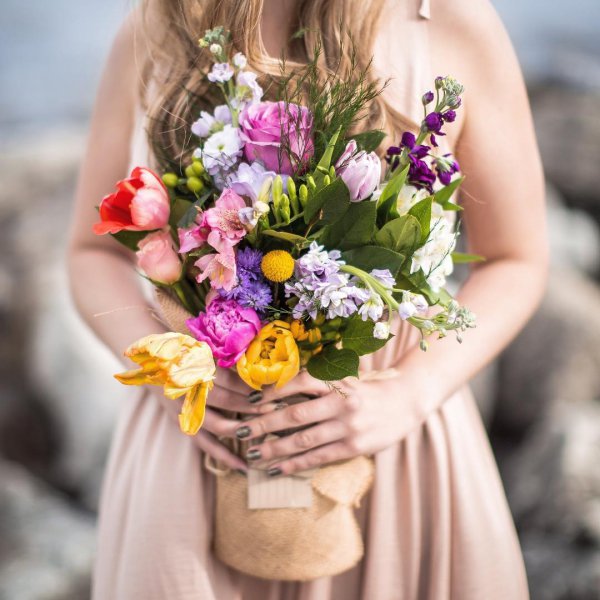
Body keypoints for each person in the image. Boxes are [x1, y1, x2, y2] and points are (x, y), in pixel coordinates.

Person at [67, 0, 547, 598]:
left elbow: (517, 260)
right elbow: (91, 255)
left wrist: (409, 393)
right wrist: (165, 365)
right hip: (198, 430)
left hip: (389, 434)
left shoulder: (448, 19)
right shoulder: (162, 21)